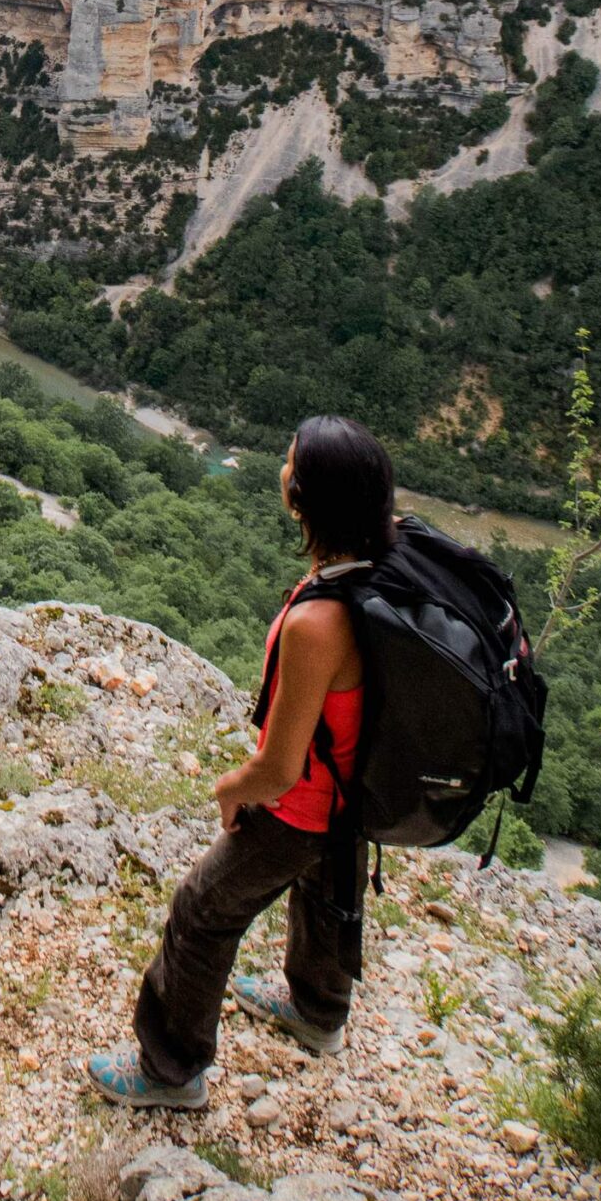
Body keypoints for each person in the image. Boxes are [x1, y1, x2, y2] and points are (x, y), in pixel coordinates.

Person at [88, 415, 394, 1109]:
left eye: (290, 464)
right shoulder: (383, 560)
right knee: (324, 895)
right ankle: (317, 1013)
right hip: (353, 794)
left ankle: (170, 1071)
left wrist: (231, 788)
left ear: (305, 499)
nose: (281, 471)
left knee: (201, 910)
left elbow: (280, 769)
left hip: (304, 806)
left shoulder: (316, 626)